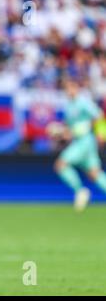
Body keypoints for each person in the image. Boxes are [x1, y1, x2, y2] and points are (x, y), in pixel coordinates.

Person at [53, 78, 106, 212]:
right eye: (67, 89)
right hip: (79, 141)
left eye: (72, 87)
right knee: (94, 174)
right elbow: (69, 129)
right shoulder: (68, 106)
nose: (69, 91)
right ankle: (81, 191)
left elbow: (99, 116)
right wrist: (59, 132)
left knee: (61, 164)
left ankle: (80, 191)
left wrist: (100, 133)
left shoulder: (83, 103)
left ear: (77, 88)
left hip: (86, 141)